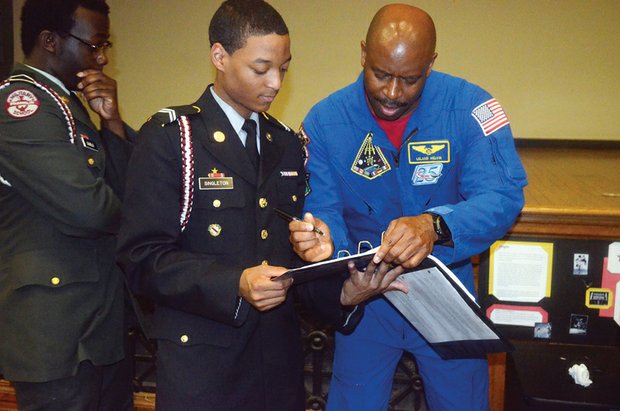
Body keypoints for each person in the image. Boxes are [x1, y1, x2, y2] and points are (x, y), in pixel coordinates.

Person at [116, 1, 402, 410]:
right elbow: (141, 259)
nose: (275, 83)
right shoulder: (172, 138)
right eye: (261, 68)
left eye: (283, 68)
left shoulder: (284, 143)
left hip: (277, 369)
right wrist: (234, 283)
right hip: (203, 369)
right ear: (220, 56)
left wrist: (343, 292)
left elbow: (290, 267)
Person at [298, 4, 527, 411]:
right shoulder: (324, 121)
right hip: (369, 298)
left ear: (431, 64)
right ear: (363, 53)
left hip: (446, 295)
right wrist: (325, 244)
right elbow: (323, 209)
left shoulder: (471, 108)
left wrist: (434, 225)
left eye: (410, 79)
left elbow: (502, 196)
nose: (391, 93)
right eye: (381, 74)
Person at [0, 0, 136, 410]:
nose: (103, 57)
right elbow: (90, 209)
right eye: (95, 45)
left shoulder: (69, 105)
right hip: (56, 337)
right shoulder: (21, 105)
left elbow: (131, 189)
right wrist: (134, 215)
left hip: (96, 327)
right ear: (50, 41)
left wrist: (111, 123)